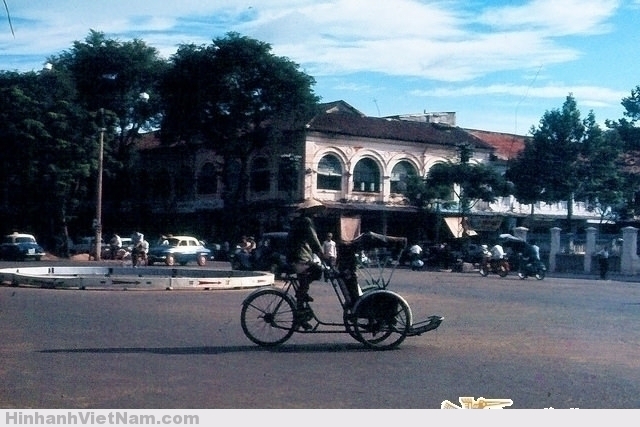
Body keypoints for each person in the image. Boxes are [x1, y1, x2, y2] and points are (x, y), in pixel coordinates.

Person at [286, 207, 323, 309]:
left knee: (303, 284)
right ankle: (301, 297)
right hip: (300, 257)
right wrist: (321, 253)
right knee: (318, 270)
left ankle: (301, 302)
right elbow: (313, 239)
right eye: (314, 211)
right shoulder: (307, 221)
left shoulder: (297, 221)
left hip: (293, 256)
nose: (316, 213)